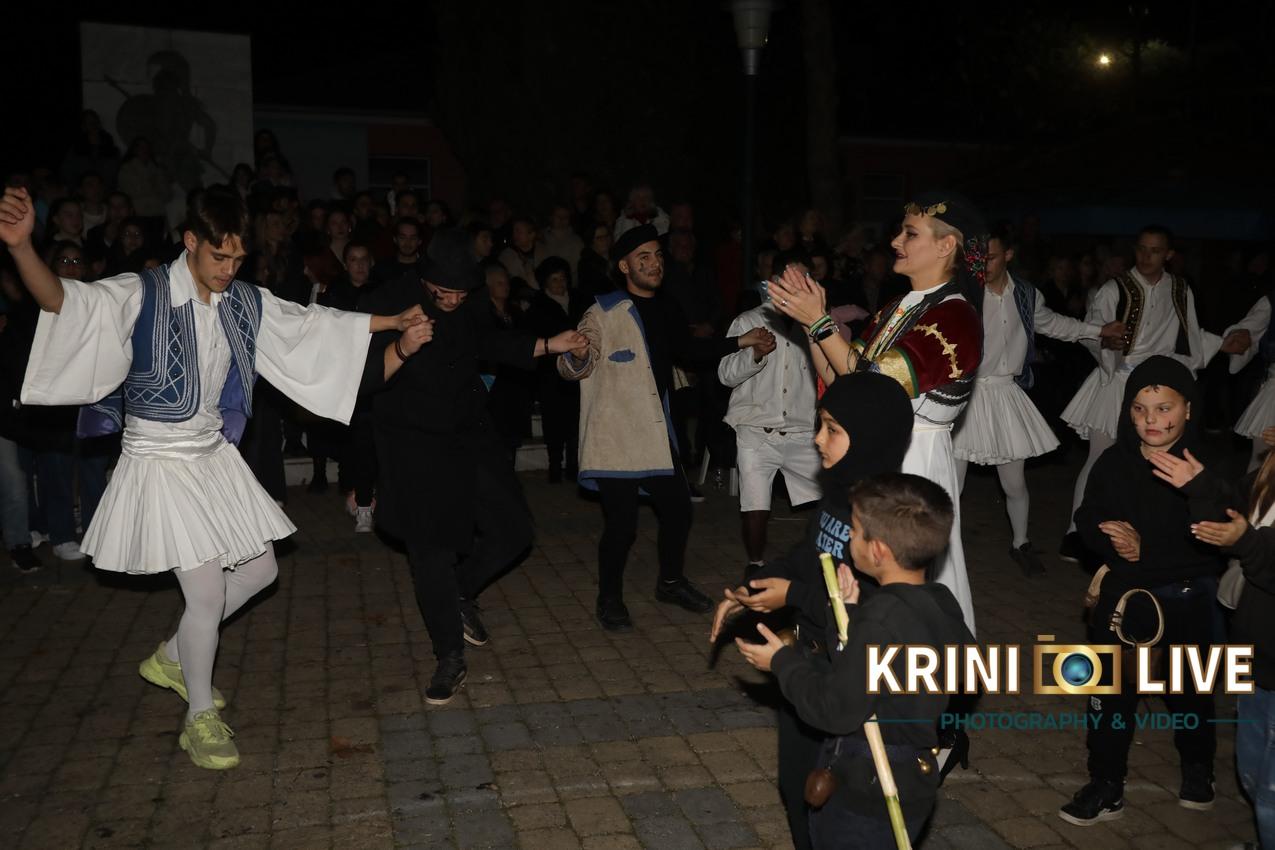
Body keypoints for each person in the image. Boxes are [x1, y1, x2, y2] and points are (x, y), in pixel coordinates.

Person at [2, 184, 426, 770]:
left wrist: (390, 321)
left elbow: (311, 324)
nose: (228, 269)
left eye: (237, 259)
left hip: (212, 455)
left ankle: (173, 655)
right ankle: (198, 717)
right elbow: (65, 301)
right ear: (191, 241)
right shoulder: (143, 291)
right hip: (158, 459)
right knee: (205, 594)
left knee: (260, 571)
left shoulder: (242, 300)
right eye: (218, 256)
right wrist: (21, 248)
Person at [359, 229, 586, 704]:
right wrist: (402, 347)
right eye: (445, 292)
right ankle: (449, 657)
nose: (453, 301)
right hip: (413, 445)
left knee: (514, 530)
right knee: (431, 554)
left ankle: (459, 592)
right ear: (425, 279)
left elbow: (489, 341)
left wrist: (550, 344)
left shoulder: (469, 302)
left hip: (469, 435)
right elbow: (361, 380)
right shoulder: (389, 301)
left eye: (462, 293)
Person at [709, 372, 914, 850]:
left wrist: (793, 598)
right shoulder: (841, 492)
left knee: (841, 810)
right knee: (797, 788)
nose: (817, 439)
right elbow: (807, 558)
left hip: (855, 686)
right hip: (811, 668)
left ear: (870, 435)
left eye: (832, 429)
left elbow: (877, 616)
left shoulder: (893, 520)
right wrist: (749, 588)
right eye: (819, 425)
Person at [768, 192, 985, 635]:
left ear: (946, 245)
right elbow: (843, 381)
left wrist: (821, 322)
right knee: (865, 571)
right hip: (880, 452)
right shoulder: (897, 307)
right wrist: (811, 321)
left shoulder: (956, 318)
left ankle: (917, 665)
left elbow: (873, 385)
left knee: (910, 576)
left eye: (910, 234)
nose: (894, 242)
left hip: (915, 460)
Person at [734, 472, 972, 850]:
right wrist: (848, 614)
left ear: (877, 551)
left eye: (856, 531)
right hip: (914, 780)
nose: (848, 536)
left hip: (866, 792)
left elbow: (835, 710)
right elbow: (966, 672)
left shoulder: (880, 620)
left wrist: (782, 663)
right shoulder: (940, 600)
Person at [558, 223, 773, 631]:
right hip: (616, 437)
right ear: (624, 266)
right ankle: (609, 598)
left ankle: (670, 582)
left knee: (678, 511)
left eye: (658, 255)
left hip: (655, 434)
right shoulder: (602, 311)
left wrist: (741, 341)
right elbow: (575, 363)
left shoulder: (668, 307)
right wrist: (577, 356)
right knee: (621, 526)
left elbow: (689, 350)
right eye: (643, 257)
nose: (654, 263)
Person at [1059, 356, 1225, 825]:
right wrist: (1108, 536)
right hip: (1126, 600)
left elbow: (1216, 539)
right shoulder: (1115, 460)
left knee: (1190, 693)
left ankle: (1198, 768)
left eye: (1163, 408)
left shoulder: (1205, 468)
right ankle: (1105, 782)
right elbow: (1088, 516)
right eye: (1139, 409)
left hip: (1186, 599)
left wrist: (1146, 546)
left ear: (1188, 409)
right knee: (1110, 694)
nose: (1151, 419)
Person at [1059, 226, 1241, 562]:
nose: (1146, 256)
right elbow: (1094, 328)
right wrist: (1106, 340)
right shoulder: (1115, 288)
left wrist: (1220, 343)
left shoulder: (1180, 289)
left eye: (1155, 250)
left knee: (1155, 460)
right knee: (1100, 458)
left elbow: (1190, 335)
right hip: (1119, 380)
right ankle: (1077, 532)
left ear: (1168, 255)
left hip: (1159, 389)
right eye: (1142, 248)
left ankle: (1140, 531)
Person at [953, 226, 1124, 574]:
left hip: (1006, 394)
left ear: (1008, 255)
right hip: (968, 394)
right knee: (952, 483)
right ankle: (945, 550)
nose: (983, 265)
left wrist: (1098, 330)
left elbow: (1055, 325)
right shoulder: (965, 292)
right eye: (978, 258)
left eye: (991, 257)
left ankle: (1021, 543)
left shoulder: (1026, 295)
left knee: (1014, 482)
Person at [1154, 436, 1275, 848]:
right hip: (1256, 658)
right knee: (1252, 777)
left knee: (1270, 801)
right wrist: (1200, 485)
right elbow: (1231, 509)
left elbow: (1256, 546)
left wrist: (1246, 542)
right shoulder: (1268, 473)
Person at [717, 272, 820, 578]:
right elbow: (725, 374)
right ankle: (756, 566)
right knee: (755, 505)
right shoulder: (748, 321)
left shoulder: (816, 324)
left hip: (803, 431)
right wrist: (755, 354)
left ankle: (824, 561)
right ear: (774, 283)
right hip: (755, 429)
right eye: (791, 279)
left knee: (831, 500)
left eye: (804, 278)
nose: (798, 285)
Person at [525, 257, 584, 482]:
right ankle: (555, 466)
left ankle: (573, 466)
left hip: (577, 370)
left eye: (563, 278)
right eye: (554, 279)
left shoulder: (578, 301)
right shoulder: (538, 307)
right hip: (550, 373)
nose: (560, 283)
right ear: (545, 282)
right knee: (553, 422)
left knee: (575, 420)